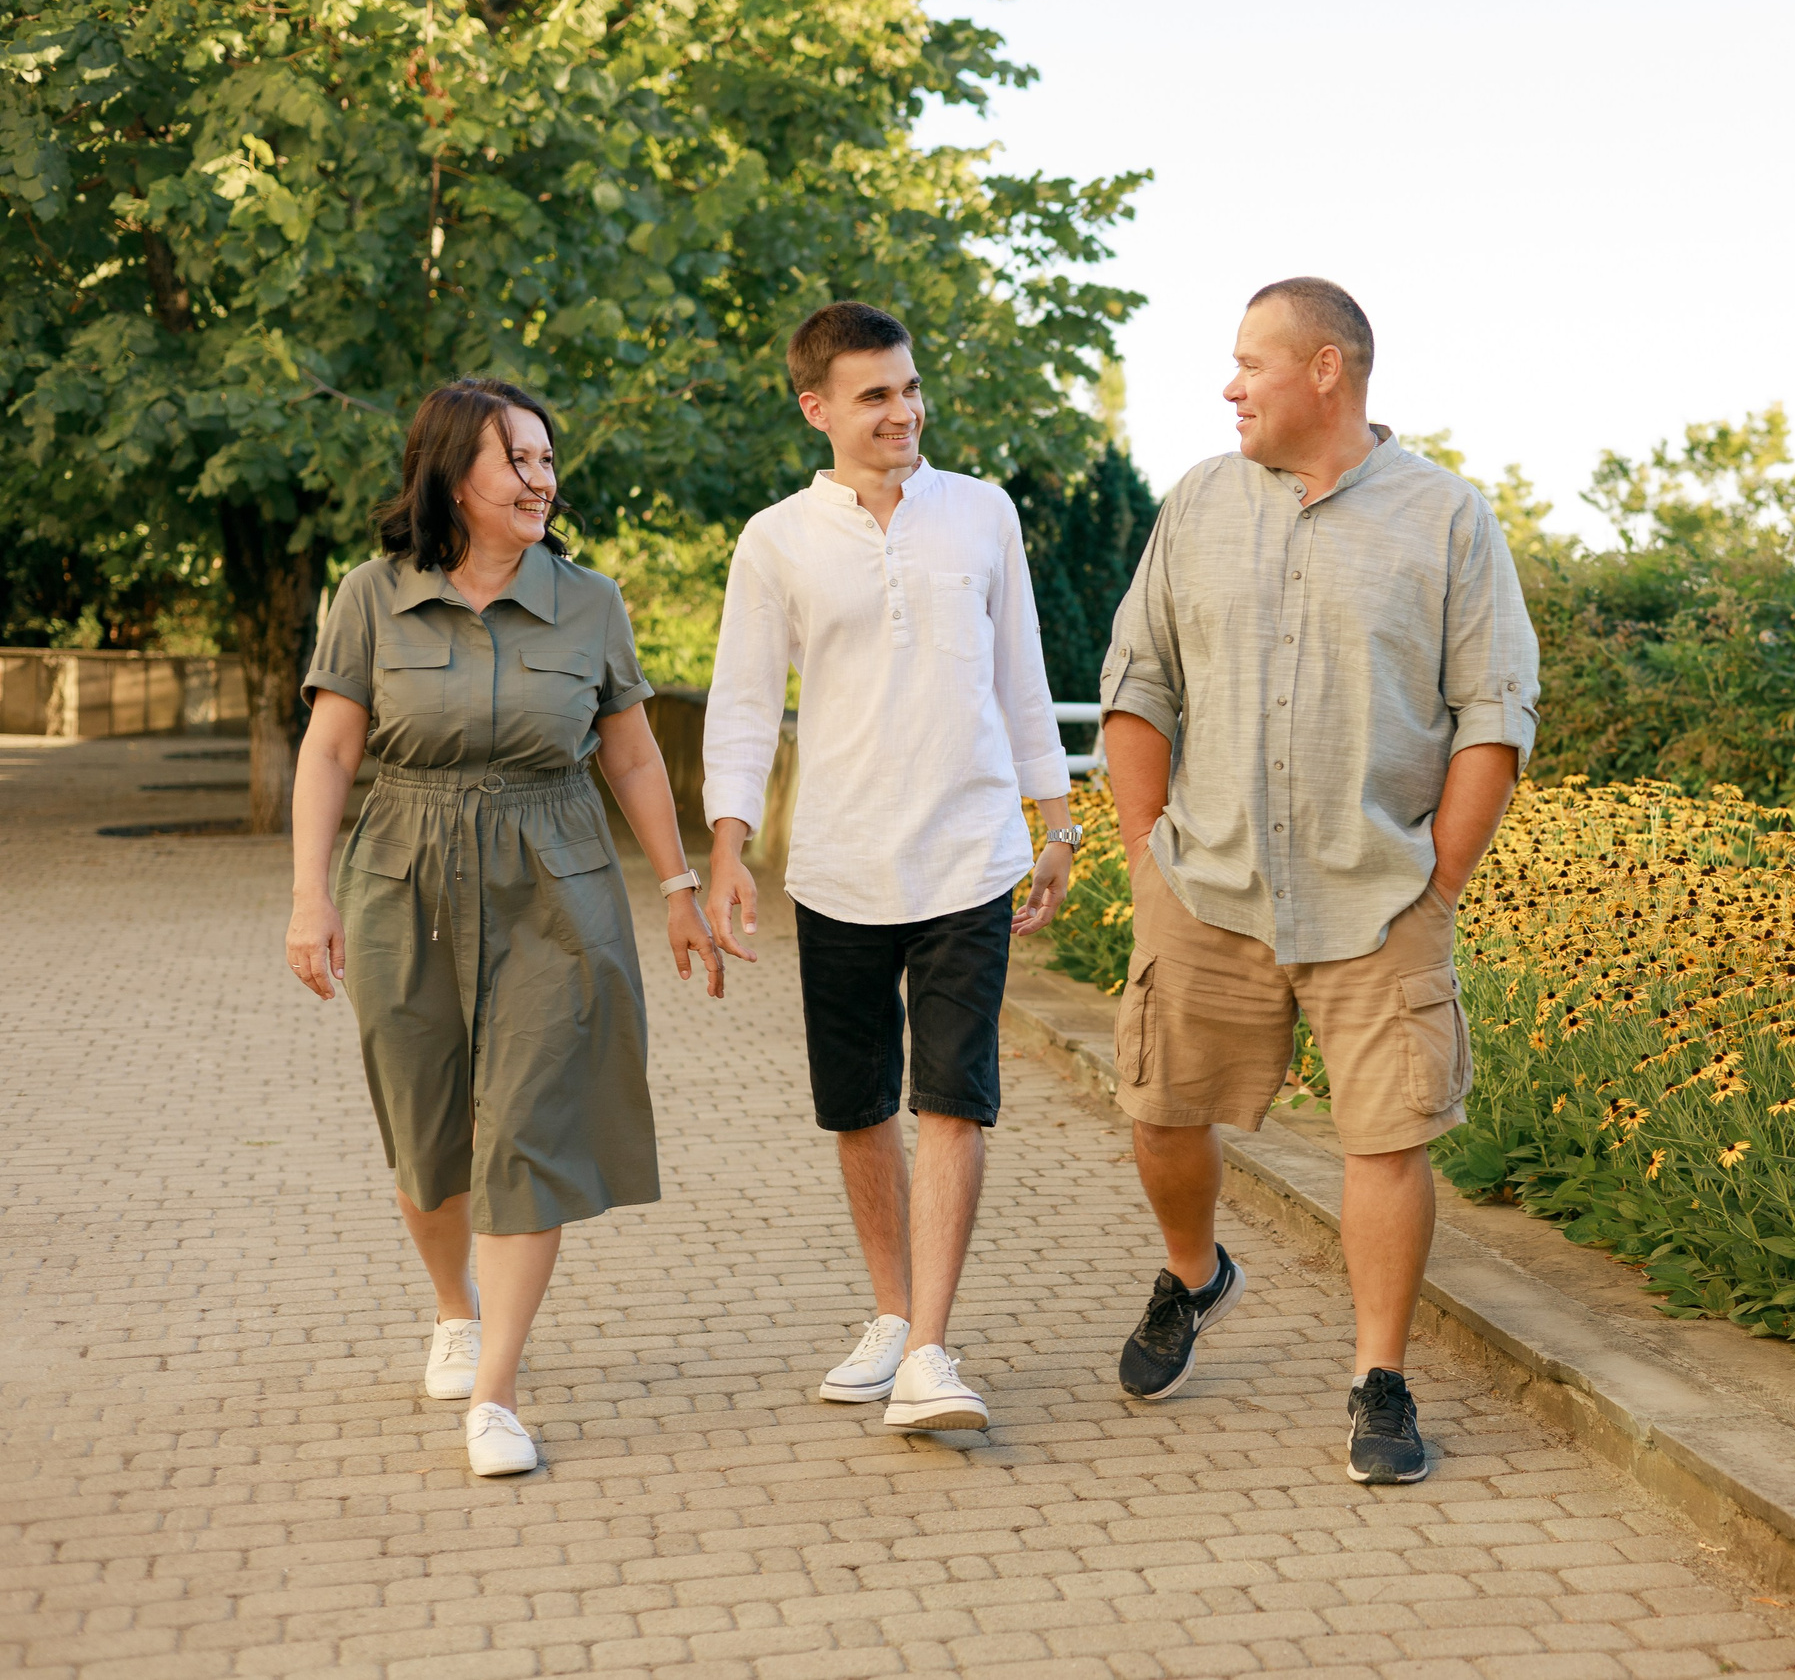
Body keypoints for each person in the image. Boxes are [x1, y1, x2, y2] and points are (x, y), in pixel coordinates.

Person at [1098, 278, 1539, 1483]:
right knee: (1158, 1111)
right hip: (1206, 883)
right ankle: (1193, 1274)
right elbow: (1138, 683)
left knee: (1387, 1140)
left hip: (1379, 896)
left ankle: (1377, 1379)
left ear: (1326, 369)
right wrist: (1145, 858)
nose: (1229, 386)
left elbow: (1492, 714)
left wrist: (1436, 885)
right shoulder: (1197, 503)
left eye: (1251, 363)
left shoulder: (1447, 519)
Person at [284, 377, 725, 1478]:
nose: (541, 480)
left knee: (531, 1126)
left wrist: (678, 887)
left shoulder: (591, 601)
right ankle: (455, 1306)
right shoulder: (371, 596)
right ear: (452, 477)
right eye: (517, 460)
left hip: (554, 881)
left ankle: (497, 1393)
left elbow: (632, 755)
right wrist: (307, 895)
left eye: (546, 459)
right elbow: (330, 751)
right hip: (404, 875)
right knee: (426, 1126)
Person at [700, 301, 1078, 1434]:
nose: (903, 411)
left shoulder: (983, 513)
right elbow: (744, 702)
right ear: (815, 408)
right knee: (858, 1106)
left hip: (969, 853)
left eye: (910, 388)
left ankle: (928, 1351)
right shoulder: (776, 539)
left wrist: (1057, 822)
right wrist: (728, 848)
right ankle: (892, 1312)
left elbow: (1021, 673)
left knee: (954, 1098)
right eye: (874, 395)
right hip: (840, 862)